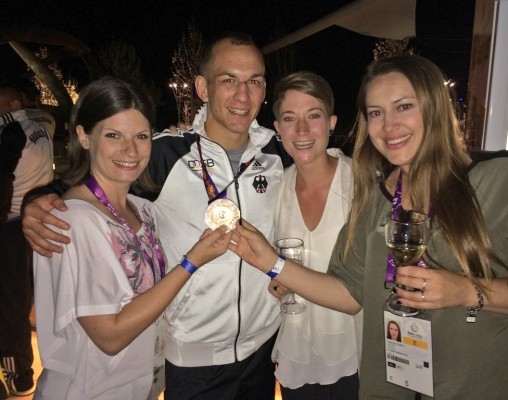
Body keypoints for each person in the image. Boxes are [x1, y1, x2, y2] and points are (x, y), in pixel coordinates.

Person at [228, 55, 508, 399]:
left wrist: (469, 292)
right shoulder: (377, 199)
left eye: (403, 106)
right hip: (391, 388)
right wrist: (271, 263)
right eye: (376, 113)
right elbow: (348, 293)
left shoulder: (506, 179)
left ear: (434, 106)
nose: (389, 126)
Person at [21, 33, 292, 400]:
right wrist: (39, 198)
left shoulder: (280, 155)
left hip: (261, 351)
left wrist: (286, 268)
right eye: (229, 80)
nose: (243, 95)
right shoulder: (162, 154)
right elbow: (101, 183)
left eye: (255, 81)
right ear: (203, 87)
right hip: (190, 360)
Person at [32, 76, 232, 399]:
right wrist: (192, 262)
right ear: (84, 136)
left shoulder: (142, 210)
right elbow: (109, 336)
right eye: (113, 135)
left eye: (141, 136)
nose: (131, 150)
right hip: (88, 390)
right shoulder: (76, 219)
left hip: (139, 385)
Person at [268, 71, 362, 400]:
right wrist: (274, 281)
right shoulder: (275, 188)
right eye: (290, 118)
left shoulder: (361, 185)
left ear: (332, 123)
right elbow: (270, 264)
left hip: (354, 354)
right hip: (295, 355)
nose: (303, 130)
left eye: (314, 116)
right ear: (278, 129)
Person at [0, 81, 54, 399]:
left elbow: (3, 185)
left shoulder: (8, 131)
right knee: (23, 299)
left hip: (9, 227)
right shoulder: (41, 123)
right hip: (34, 222)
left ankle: (19, 376)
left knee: (10, 306)